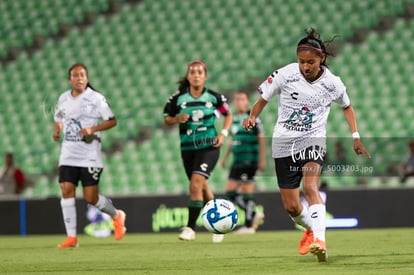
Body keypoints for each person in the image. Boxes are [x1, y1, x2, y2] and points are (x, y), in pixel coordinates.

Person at [242, 28, 370, 262]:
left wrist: (356, 136)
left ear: (321, 59)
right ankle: (311, 229)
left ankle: (320, 240)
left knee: (311, 187)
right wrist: (251, 117)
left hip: (313, 140)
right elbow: (262, 100)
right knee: (291, 207)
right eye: (302, 61)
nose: (306, 66)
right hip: (283, 143)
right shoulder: (285, 74)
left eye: (310, 62)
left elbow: (347, 106)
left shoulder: (333, 83)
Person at [53, 63, 126, 248]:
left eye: (82, 75)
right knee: (66, 189)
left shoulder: (96, 98)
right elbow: (59, 119)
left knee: (90, 198)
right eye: (75, 75)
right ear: (70, 79)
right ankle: (72, 237)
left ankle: (117, 216)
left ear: (87, 78)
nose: (79, 78)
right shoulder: (63, 99)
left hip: (89, 155)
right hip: (68, 154)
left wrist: (93, 128)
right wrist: (57, 131)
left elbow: (112, 121)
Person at [163, 60, 233, 242]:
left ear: (205, 76)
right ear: (188, 76)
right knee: (201, 187)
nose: (196, 75)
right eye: (192, 72)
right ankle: (218, 225)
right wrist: (177, 118)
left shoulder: (214, 97)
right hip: (188, 148)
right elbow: (166, 119)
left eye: (199, 72)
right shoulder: (177, 98)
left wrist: (224, 134)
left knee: (195, 183)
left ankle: (190, 228)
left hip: (209, 146)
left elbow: (228, 114)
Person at [220, 91, 266, 234]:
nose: (240, 102)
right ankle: (253, 215)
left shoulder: (253, 118)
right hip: (237, 160)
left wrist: (262, 160)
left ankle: (248, 225)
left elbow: (261, 138)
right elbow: (232, 140)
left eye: (242, 99)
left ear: (247, 102)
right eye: (237, 99)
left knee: (247, 192)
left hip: (249, 159)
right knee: (230, 193)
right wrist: (225, 158)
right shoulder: (233, 119)